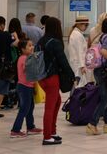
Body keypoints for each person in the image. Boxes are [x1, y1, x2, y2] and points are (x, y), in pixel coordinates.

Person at [37, 17, 74, 146]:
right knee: (50, 106)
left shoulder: (41, 41)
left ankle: (52, 132)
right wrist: (72, 75)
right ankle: (47, 136)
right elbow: (63, 61)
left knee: (57, 101)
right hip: (51, 78)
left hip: (42, 77)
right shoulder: (56, 42)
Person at [10, 39, 43, 138]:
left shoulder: (27, 57)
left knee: (30, 107)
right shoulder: (24, 58)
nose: (32, 47)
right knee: (24, 108)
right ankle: (15, 130)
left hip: (28, 86)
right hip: (24, 87)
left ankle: (30, 127)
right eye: (29, 46)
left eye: (32, 45)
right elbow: (28, 69)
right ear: (23, 49)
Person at [67, 15, 89, 87]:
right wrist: (82, 66)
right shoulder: (77, 35)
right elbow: (80, 51)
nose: (86, 27)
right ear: (79, 24)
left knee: (77, 85)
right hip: (78, 65)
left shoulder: (75, 33)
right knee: (79, 86)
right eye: (85, 25)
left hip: (76, 64)